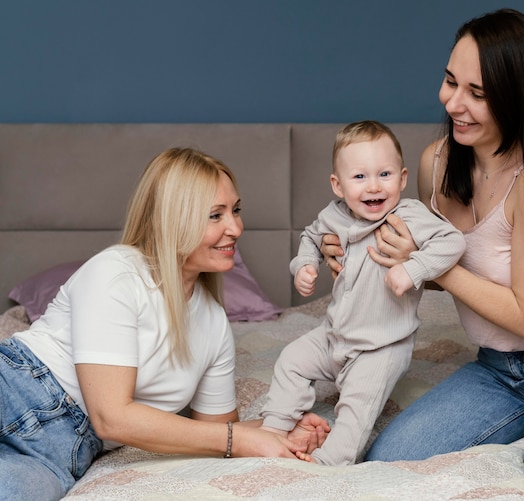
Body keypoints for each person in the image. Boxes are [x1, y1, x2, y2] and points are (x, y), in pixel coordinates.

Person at [322, 9, 524, 487]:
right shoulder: (435, 166)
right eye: (450, 81)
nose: (453, 103)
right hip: (497, 367)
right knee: (392, 457)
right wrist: (348, 249)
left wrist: (430, 267)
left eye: (476, 94)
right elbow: (428, 272)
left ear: (517, 99)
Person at [0, 147, 329, 500]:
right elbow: (112, 417)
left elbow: (219, 433)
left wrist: (278, 427)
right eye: (215, 215)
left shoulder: (213, 321)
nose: (235, 228)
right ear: (172, 219)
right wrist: (239, 439)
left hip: (62, 453)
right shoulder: (116, 272)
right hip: (17, 392)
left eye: (235, 210)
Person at [260, 120, 466, 465]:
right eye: (359, 177)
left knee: (356, 406)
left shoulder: (410, 215)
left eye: (384, 174)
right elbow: (310, 237)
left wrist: (413, 269)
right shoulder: (334, 215)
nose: (373, 186)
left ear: (402, 179)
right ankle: (274, 428)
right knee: (291, 361)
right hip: (334, 335)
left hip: (381, 347)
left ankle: (328, 465)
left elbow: (453, 241)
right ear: (337, 185)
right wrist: (305, 265)